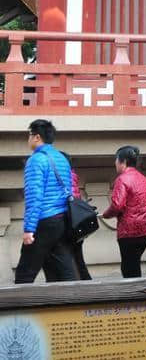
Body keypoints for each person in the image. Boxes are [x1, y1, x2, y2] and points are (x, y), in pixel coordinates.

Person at [15, 119, 76, 284]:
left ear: (36, 137)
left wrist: (29, 229)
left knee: (25, 273)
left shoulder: (35, 160)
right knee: (62, 273)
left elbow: (34, 196)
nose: (28, 139)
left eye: (29, 135)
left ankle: (20, 309)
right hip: (62, 219)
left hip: (44, 220)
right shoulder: (61, 159)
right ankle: (70, 305)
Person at [103, 145, 146, 278]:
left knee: (129, 270)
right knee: (134, 265)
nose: (115, 163)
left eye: (116, 160)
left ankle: (135, 299)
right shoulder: (144, 179)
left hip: (128, 232)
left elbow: (117, 205)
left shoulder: (122, 179)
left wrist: (105, 215)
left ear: (123, 161)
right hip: (144, 231)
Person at [60, 152, 91, 281]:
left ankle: (82, 283)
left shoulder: (65, 177)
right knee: (78, 257)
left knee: (71, 258)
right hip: (77, 223)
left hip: (69, 224)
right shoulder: (73, 176)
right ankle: (86, 282)